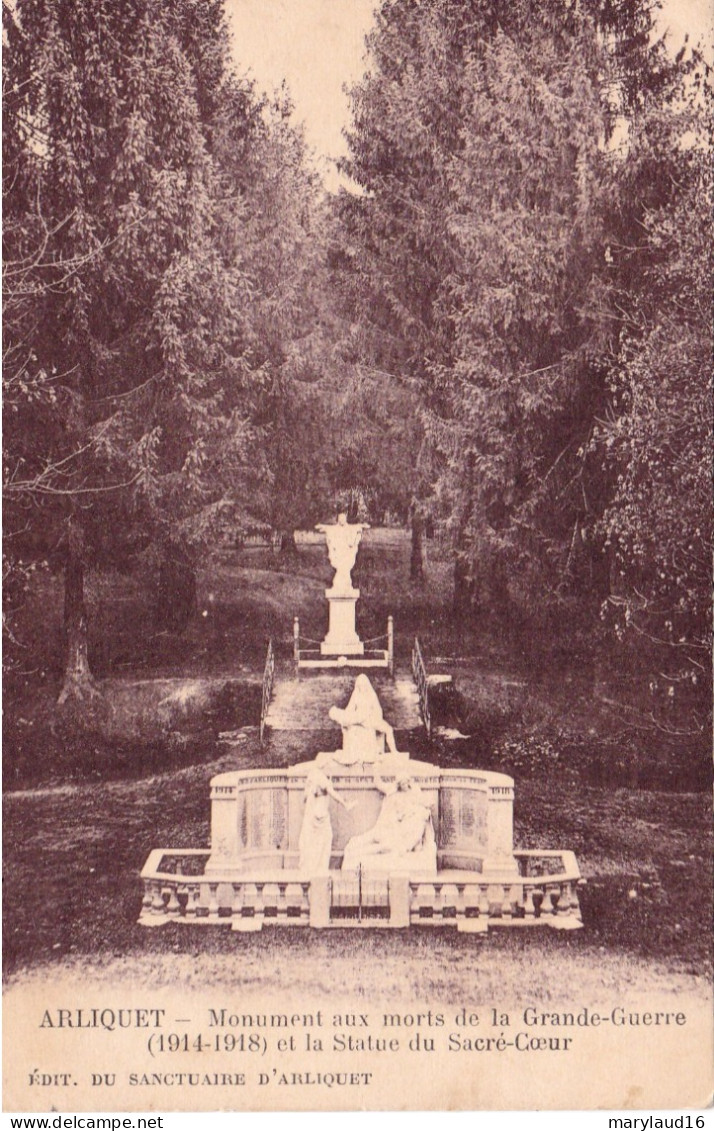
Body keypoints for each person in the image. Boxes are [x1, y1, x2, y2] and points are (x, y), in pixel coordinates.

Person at [341, 772, 432, 871]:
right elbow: (379, 784)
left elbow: (414, 840)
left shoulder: (419, 816)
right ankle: (354, 846)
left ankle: (354, 850)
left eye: (405, 783)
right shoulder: (397, 796)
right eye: (402, 784)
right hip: (392, 829)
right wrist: (376, 769)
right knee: (377, 839)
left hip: (397, 838)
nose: (404, 786)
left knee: (382, 846)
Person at [327, 673, 399, 762]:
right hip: (358, 718)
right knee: (349, 722)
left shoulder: (371, 695)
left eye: (363, 685)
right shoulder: (356, 694)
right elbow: (349, 709)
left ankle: (394, 751)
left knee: (388, 729)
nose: (362, 687)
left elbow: (378, 710)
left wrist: (373, 719)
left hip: (371, 719)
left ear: (366, 685)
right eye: (360, 686)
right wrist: (348, 718)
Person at [298, 768, 355, 876]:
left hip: (314, 817)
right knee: (323, 841)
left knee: (314, 842)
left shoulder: (312, 784)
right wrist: (345, 804)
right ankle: (318, 869)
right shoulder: (320, 779)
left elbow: (304, 798)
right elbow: (333, 794)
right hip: (319, 816)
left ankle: (312, 868)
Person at [315, 513, 369, 591]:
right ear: (338, 520)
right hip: (339, 551)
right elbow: (329, 528)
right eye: (340, 519)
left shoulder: (349, 528)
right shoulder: (335, 528)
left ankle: (345, 584)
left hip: (346, 552)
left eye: (343, 519)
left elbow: (355, 527)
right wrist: (323, 527)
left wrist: (361, 526)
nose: (342, 521)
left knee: (345, 567)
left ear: (345, 519)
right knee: (340, 567)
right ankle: (340, 584)